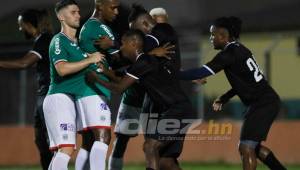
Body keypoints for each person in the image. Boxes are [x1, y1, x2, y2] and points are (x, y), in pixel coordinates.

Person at [179, 16, 286, 170]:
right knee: (253, 148)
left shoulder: (228, 54)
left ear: (223, 35)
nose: (211, 38)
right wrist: (224, 97)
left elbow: (201, 72)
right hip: (265, 101)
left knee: (245, 148)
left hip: (262, 104)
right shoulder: (241, 49)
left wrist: (173, 73)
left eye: (213, 34)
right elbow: (245, 83)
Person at [87, 29, 194, 170]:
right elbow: (123, 79)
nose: (121, 47)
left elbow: (119, 88)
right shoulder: (144, 63)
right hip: (178, 110)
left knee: (150, 146)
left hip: (177, 110)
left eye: (123, 43)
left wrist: (96, 79)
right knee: (165, 162)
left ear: (134, 43)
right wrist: (106, 72)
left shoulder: (143, 62)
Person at [108, 4, 177, 170]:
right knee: (121, 142)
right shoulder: (136, 43)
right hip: (133, 99)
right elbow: (127, 65)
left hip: (155, 103)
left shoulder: (167, 43)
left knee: (157, 147)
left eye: (161, 24)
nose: (157, 28)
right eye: (155, 23)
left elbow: (167, 69)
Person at [43, 0, 104, 169]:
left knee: (62, 151)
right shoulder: (58, 40)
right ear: (61, 16)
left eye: (78, 12)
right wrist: (90, 59)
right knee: (66, 150)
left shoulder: (78, 44)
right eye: (73, 12)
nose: (78, 15)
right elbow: (61, 69)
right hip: (58, 98)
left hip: (71, 100)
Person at [0, 9, 53, 170]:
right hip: (43, 95)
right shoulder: (41, 40)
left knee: (51, 142)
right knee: (41, 141)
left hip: (50, 96)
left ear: (30, 25)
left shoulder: (45, 40)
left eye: (21, 25)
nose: (20, 29)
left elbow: (24, 63)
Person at [75, 0, 120, 169]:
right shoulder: (99, 27)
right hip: (93, 89)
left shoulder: (88, 26)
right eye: (113, 7)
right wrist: (115, 44)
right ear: (100, 5)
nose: (116, 12)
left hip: (86, 88)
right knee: (103, 136)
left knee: (88, 141)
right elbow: (122, 57)